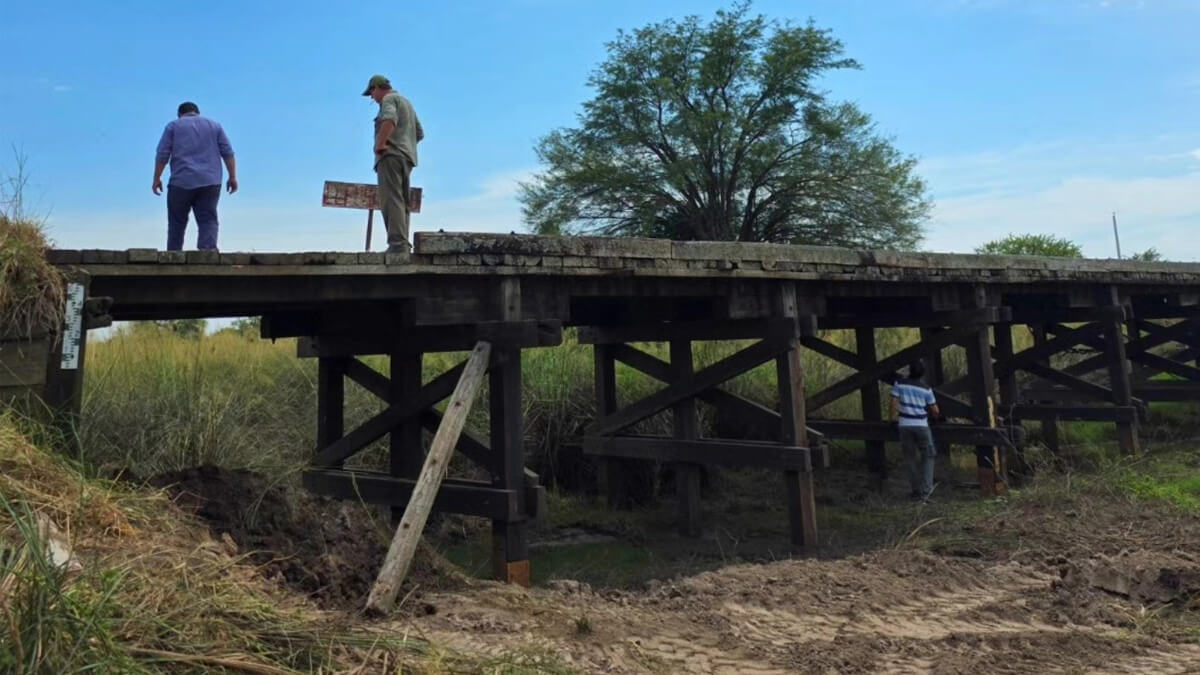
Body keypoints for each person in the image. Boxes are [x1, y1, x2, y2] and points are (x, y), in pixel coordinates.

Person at [153, 102, 237, 251]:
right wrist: (232, 177)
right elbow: (228, 152)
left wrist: (156, 178)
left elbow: (163, 154)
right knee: (208, 219)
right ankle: (207, 252)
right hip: (210, 181)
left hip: (181, 182)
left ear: (179, 114)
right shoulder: (214, 126)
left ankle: (174, 254)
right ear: (198, 112)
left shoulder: (173, 126)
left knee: (177, 221)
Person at [363, 74, 424, 253]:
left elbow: (389, 119)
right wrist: (405, 144)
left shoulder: (388, 100)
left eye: (371, 93)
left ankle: (397, 244)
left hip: (391, 156)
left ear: (376, 87)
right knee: (402, 201)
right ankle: (402, 243)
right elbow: (419, 133)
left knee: (391, 199)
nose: (372, 97)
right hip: (406, 157)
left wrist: (381, 143)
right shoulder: (406, 103)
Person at [890, 360, 941, 501]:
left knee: (910, 457)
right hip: (921, 425)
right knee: (928, 455)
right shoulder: (926, 389)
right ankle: (926, 491)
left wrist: (892, 419)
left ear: (909, 370)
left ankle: (916, 490)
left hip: (904, 425)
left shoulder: (899, 383)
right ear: (922, 373)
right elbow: (935, 410)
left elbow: (893, 403)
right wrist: (936, 418)